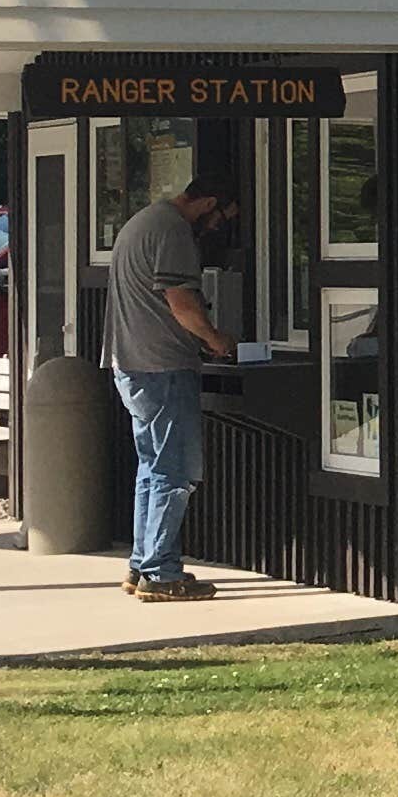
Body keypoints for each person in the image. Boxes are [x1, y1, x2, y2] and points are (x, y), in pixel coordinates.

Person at [104, 181, 242, 601]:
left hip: (130, 362)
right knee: (175, 470)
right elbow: (181, 302)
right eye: (220, 219)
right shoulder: (173, 231)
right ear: (209, 202)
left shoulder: (142, 222)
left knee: (152, 467)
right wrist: (216, 339)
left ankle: (141, 564)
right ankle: (161, 573)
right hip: (163, 365)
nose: (216, 229)